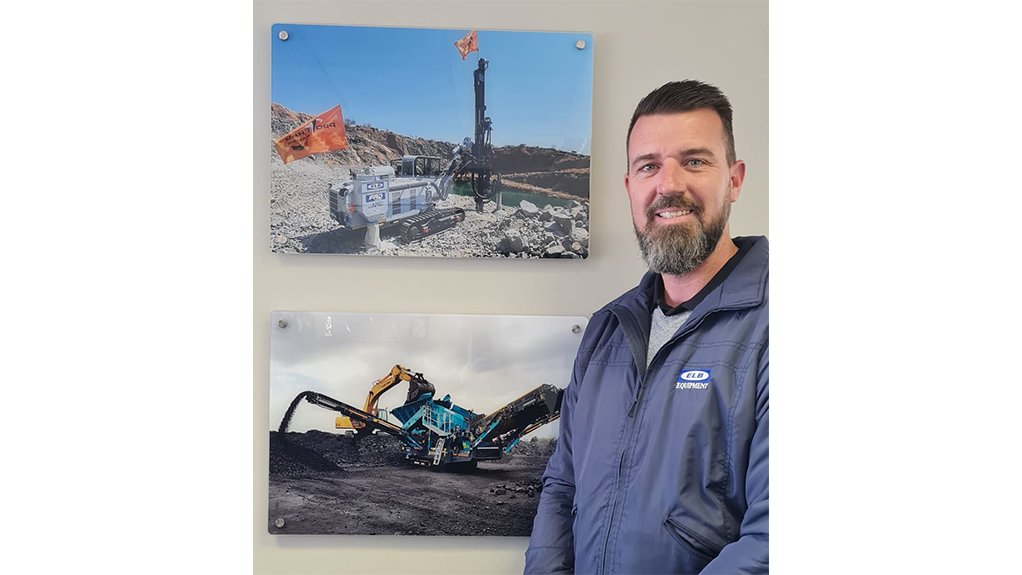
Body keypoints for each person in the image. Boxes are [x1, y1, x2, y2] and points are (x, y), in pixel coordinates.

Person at [524, 80, 768, 574]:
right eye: (648, 166)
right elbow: (561, 485)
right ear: (630, 186)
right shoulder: (607, 329)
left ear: (735, 180)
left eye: (695, 161)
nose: (669, 184)